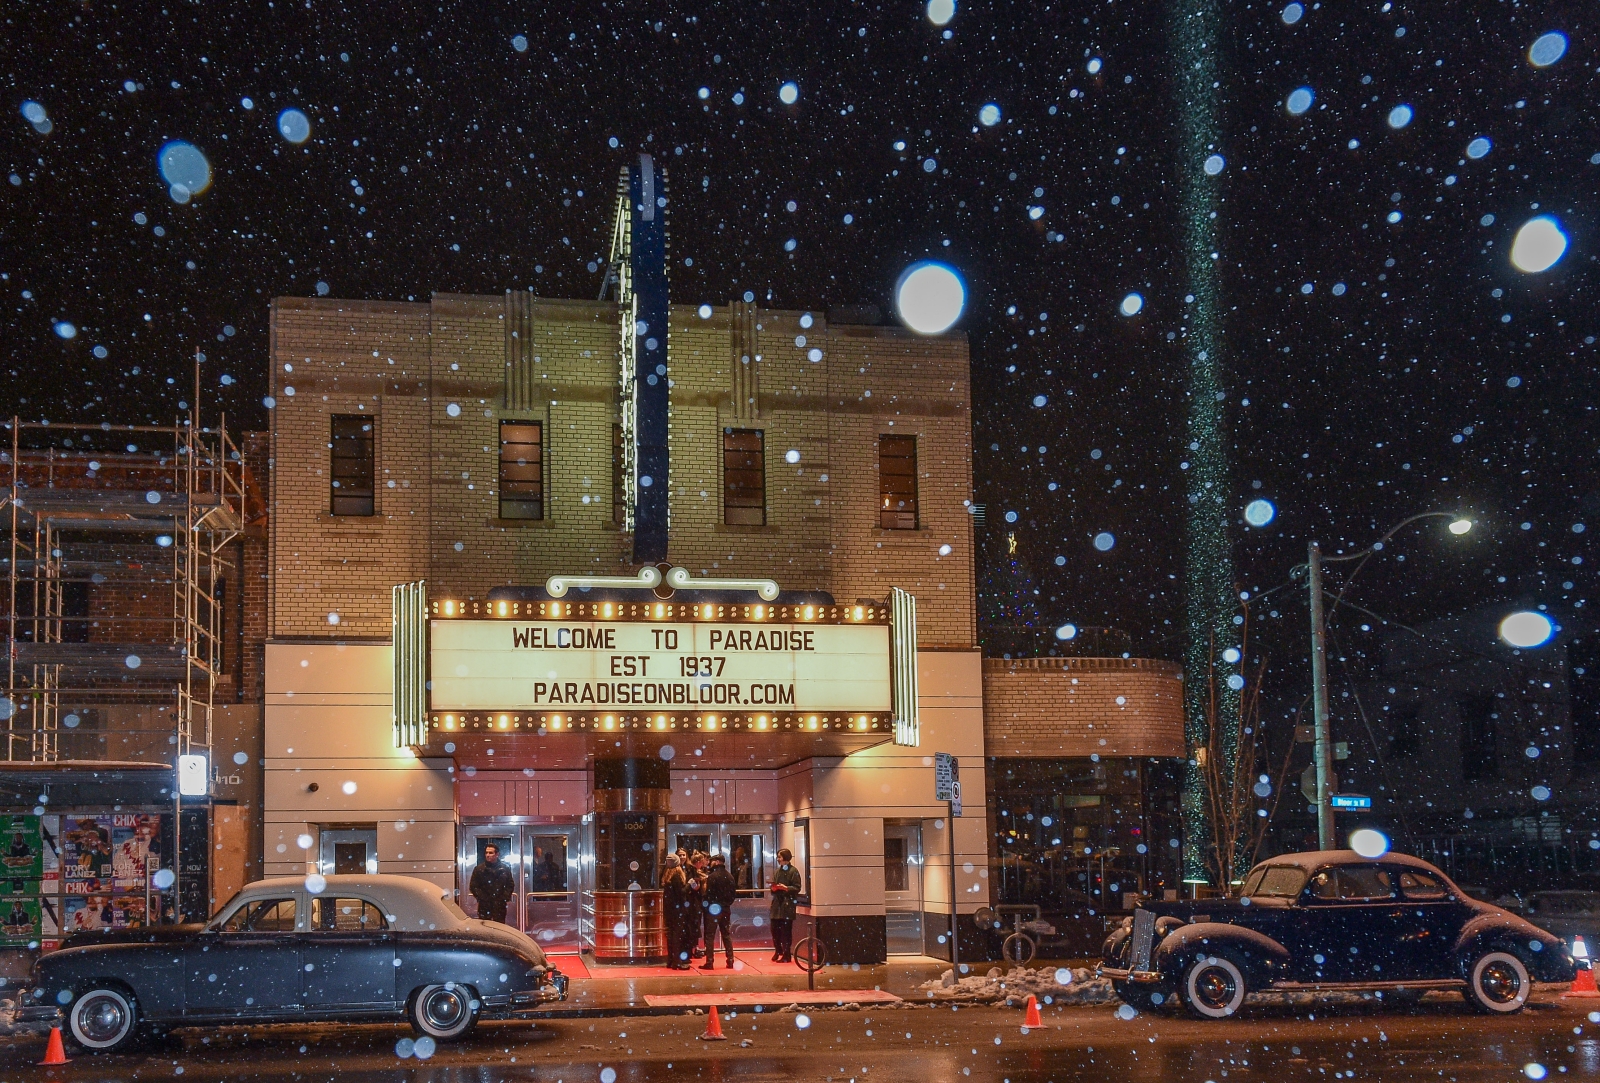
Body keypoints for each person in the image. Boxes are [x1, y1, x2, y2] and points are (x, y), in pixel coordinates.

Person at [701, 853, 737, 969]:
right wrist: (726, 904)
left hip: (714, 909)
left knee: (710, 935)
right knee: (726, 934)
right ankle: (730, 959)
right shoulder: (730, 876)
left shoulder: (712, 876)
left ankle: (710, 961)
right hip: (726, 908)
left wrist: (707, 905)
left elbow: (709, 894)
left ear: (717, 862)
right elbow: (733, 895)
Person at [468, 843, 516, 923]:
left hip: (499, 905)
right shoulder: (479, 869)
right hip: (484, 905)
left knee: (499, 928)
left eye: (491, 853)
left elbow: (510, 885)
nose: (488, 855)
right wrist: (483, 898)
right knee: (485, 929)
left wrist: (503, 898)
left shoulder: (504, 869)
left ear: (497, 854)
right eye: (486, 852)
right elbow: (473, 886)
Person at [770, 847, 802, 963]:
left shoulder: (793, 871)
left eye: (780, 857)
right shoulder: (777, 871)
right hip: (777, 905)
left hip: (787, 906)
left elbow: (797, 887)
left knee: (786, 932)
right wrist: (774, 888)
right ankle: (778, 950)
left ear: (786, 858)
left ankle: (786, 954)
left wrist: (786, 888)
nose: (778, 859)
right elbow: (773, 888)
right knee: (774, 930)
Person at [660, 854, 691, 969]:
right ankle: (677, 962)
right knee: (677, 935)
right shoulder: (677, 875)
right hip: (678, 910)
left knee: (671, 935)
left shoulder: (667, 874)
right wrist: (689, 885)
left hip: (669, 910)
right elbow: (681, 892)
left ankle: (671, 960)